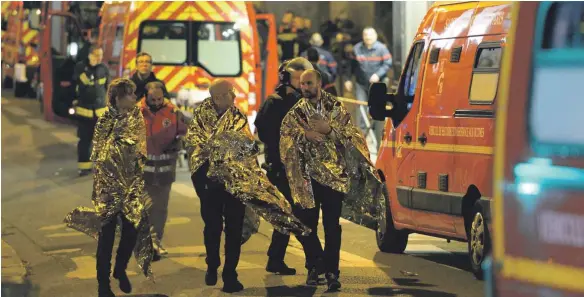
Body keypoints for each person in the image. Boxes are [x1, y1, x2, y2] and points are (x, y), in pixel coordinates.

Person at [185, 79, 309, 293]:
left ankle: (230, 274)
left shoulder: (238, 116)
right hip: (211, 183)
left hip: (236, 183)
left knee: (234, 229)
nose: (234, 95)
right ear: (219, 97)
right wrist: (206, 177)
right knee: (213, 228)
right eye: (231, 92)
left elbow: (245, 146)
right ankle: (213, 263)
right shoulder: (201, 118)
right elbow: (195, 149)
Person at [280, 70, 383, 291]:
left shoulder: (335, 108)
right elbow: (285, 137)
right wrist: (304, 135)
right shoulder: (296, 112)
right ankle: (314, 267)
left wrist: (330, 130)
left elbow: (353, 137)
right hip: (307, 178)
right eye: (302, 84)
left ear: (319, 84)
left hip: (334, 178)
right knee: (307, 225)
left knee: (331, 227)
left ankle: (332, 272)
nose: (305, 87)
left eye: (309, 83)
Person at [64, 78, 156, 297]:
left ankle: (120, 268)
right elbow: (98, 151)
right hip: (108, 186)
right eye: (131, 94)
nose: (135, 98)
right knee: (106, 237)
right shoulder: (106, 118)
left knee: (131, 231)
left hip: (131, 184)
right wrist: (119, 141)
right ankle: (102, 286)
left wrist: (127, 148)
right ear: (118, 98)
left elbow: (140, 148)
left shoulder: (136, 117)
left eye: (134, 94)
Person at [255, 57, 319, 276]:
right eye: (300, 79)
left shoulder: (307, 101)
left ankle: (275, 259)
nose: (305, 84)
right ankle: (315, 262)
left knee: (287, 214)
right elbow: (264, 133)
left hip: (305, 167)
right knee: (301, 216)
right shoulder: (276, 102)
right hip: (283, 168)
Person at [139, 81, 187, 258]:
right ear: (146, 97)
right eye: (153, 99)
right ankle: (144, 242)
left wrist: (178, 142)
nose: (157, 102)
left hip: (165, 170)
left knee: (160, 208)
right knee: (144, 207)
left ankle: (154, 242)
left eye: (160, 98)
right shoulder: (136, 113)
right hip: (143, 172)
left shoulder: (173, 112)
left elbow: (183, 132)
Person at [344, 27, 392, 145]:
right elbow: (351, 65)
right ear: (363, 37)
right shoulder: (357, 49)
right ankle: (363, 138)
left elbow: (388, 63)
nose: (368, 37)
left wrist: (378, 74)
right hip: (361, 83)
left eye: (370, 35)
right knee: (361, 109)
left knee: (377, 109)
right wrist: (348, 79)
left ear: (375, 36)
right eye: (366, 35)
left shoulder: (382, 49)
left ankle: (378, 136)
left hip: (377, 84)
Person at [72, 44, 109, 176]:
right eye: (96, 55)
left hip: (101, 111)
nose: (99, 58)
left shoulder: (104, 68)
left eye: (101, 55)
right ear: (90, 55)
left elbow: (107, 87)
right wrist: (90, 69)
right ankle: (84, 167)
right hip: (85, 112)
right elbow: (82, 85)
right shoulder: (81, 67)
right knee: (85, 140)